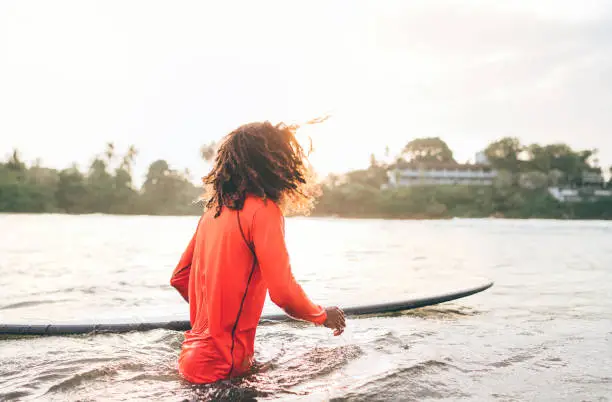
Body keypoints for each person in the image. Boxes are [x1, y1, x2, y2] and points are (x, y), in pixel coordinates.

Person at [170, 121, 346, 384]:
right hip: (222, 371)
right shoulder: (264, 211)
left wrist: (214, 321)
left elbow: (180, 277)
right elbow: (283, 292)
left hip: (189, 362)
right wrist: (322, 315)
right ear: (274, 164)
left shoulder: (213, 212)